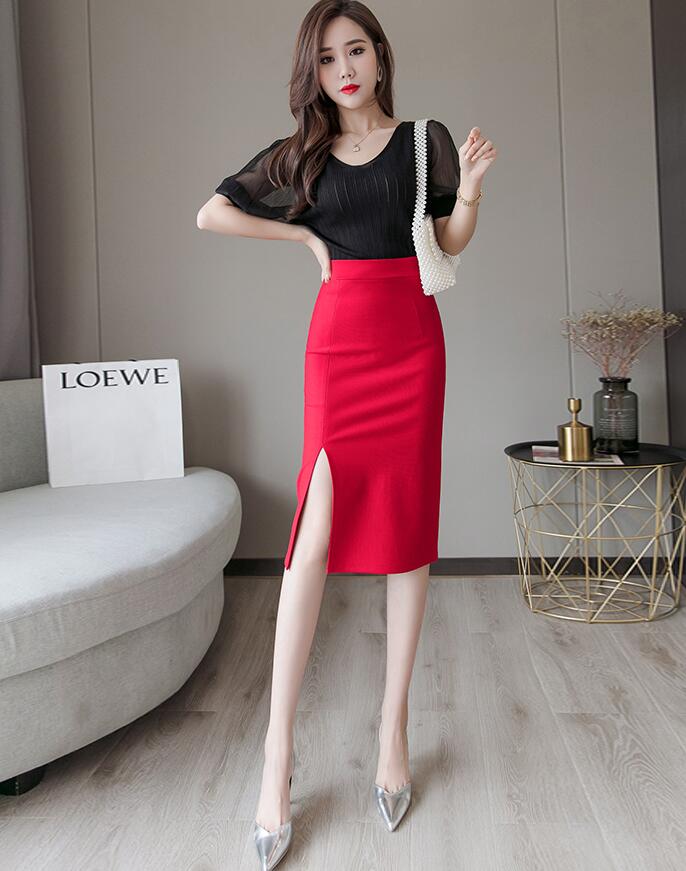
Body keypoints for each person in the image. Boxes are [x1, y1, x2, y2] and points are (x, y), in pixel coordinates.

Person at [197, 1, 496, 867]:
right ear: (314, 74)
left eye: (355, 50)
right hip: (339, 349)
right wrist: (298, 237)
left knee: (407, 534)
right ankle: (277, 752)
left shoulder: (424, 142)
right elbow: (212, 212)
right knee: (312, 542)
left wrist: (474, 188)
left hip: (413, 347)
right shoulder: (304, 155)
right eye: (327, 59)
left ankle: (393, 729)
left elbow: (448, 239)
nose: (344, 70)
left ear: (378, 55)